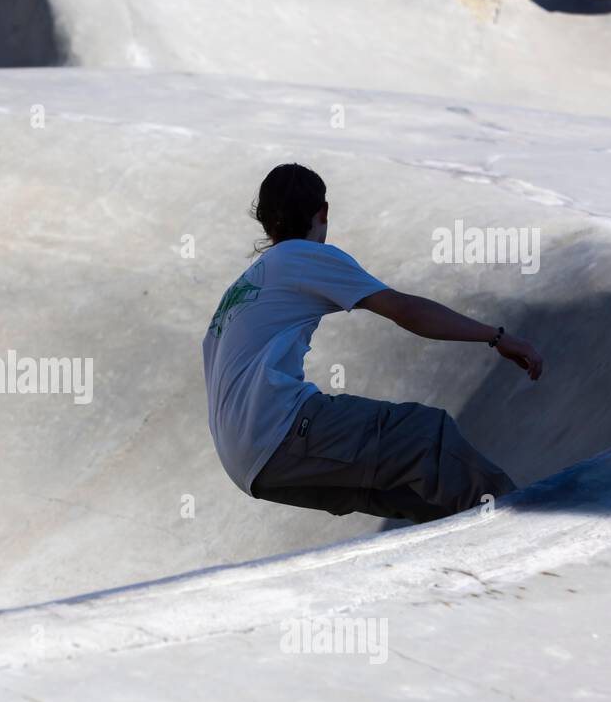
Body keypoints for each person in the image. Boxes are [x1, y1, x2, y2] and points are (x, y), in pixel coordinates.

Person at [202, 163, 544, 523]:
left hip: (247, 464)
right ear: (323, 211)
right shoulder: (302, 256)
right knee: (426, 437)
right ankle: (523, 530)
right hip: (278, 432)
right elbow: (407, 311)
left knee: (419, 499)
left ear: (265, 221)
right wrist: (498, 337)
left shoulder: (239, 289)